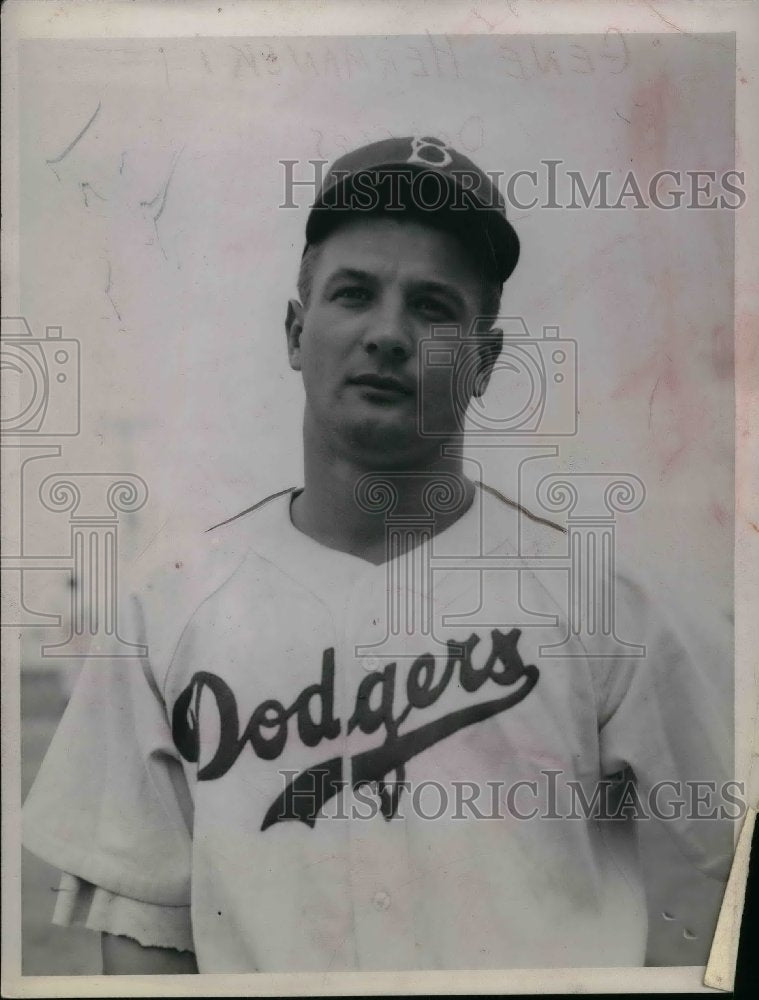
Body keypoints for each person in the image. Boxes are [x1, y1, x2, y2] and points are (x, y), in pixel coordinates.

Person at [22, 137, 734, 974]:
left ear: (485, 362)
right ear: (296, 331)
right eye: (354, 294)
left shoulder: (603, 601)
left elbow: (729, 845)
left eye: (433, 308)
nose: (388, 334)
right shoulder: (167, 607)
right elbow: (143, 934)